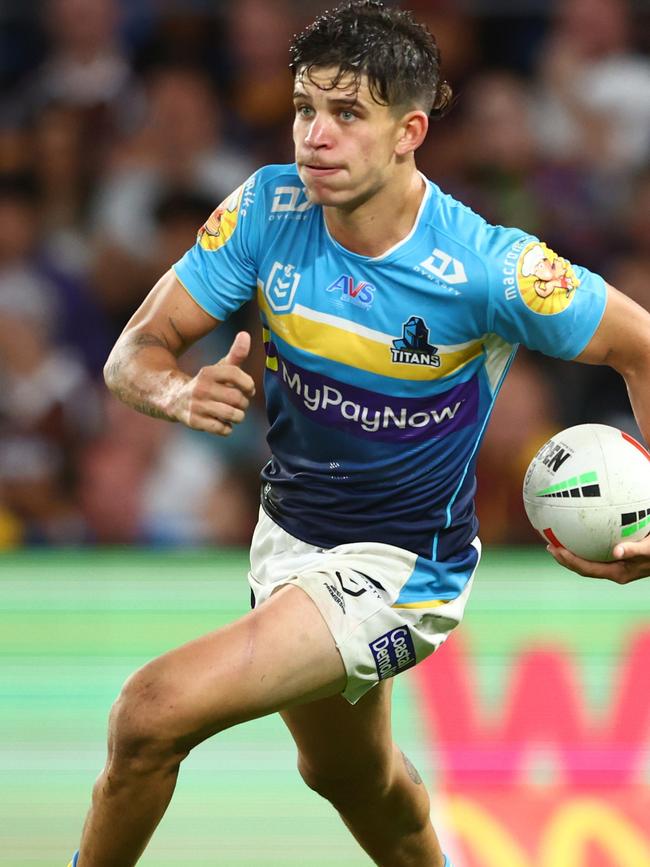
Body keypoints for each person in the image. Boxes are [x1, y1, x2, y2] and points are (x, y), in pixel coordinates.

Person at [67, 3, 650, 865]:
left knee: (148, 715)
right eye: (306, 107)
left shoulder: (490, 267)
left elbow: (639, 346)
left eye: (348, 114)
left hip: (404, 570)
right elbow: (133, 353)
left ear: (410, 130)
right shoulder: (268, 209)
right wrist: (177, 392)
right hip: (288, 539)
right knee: (353, 778)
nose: (316, 135)